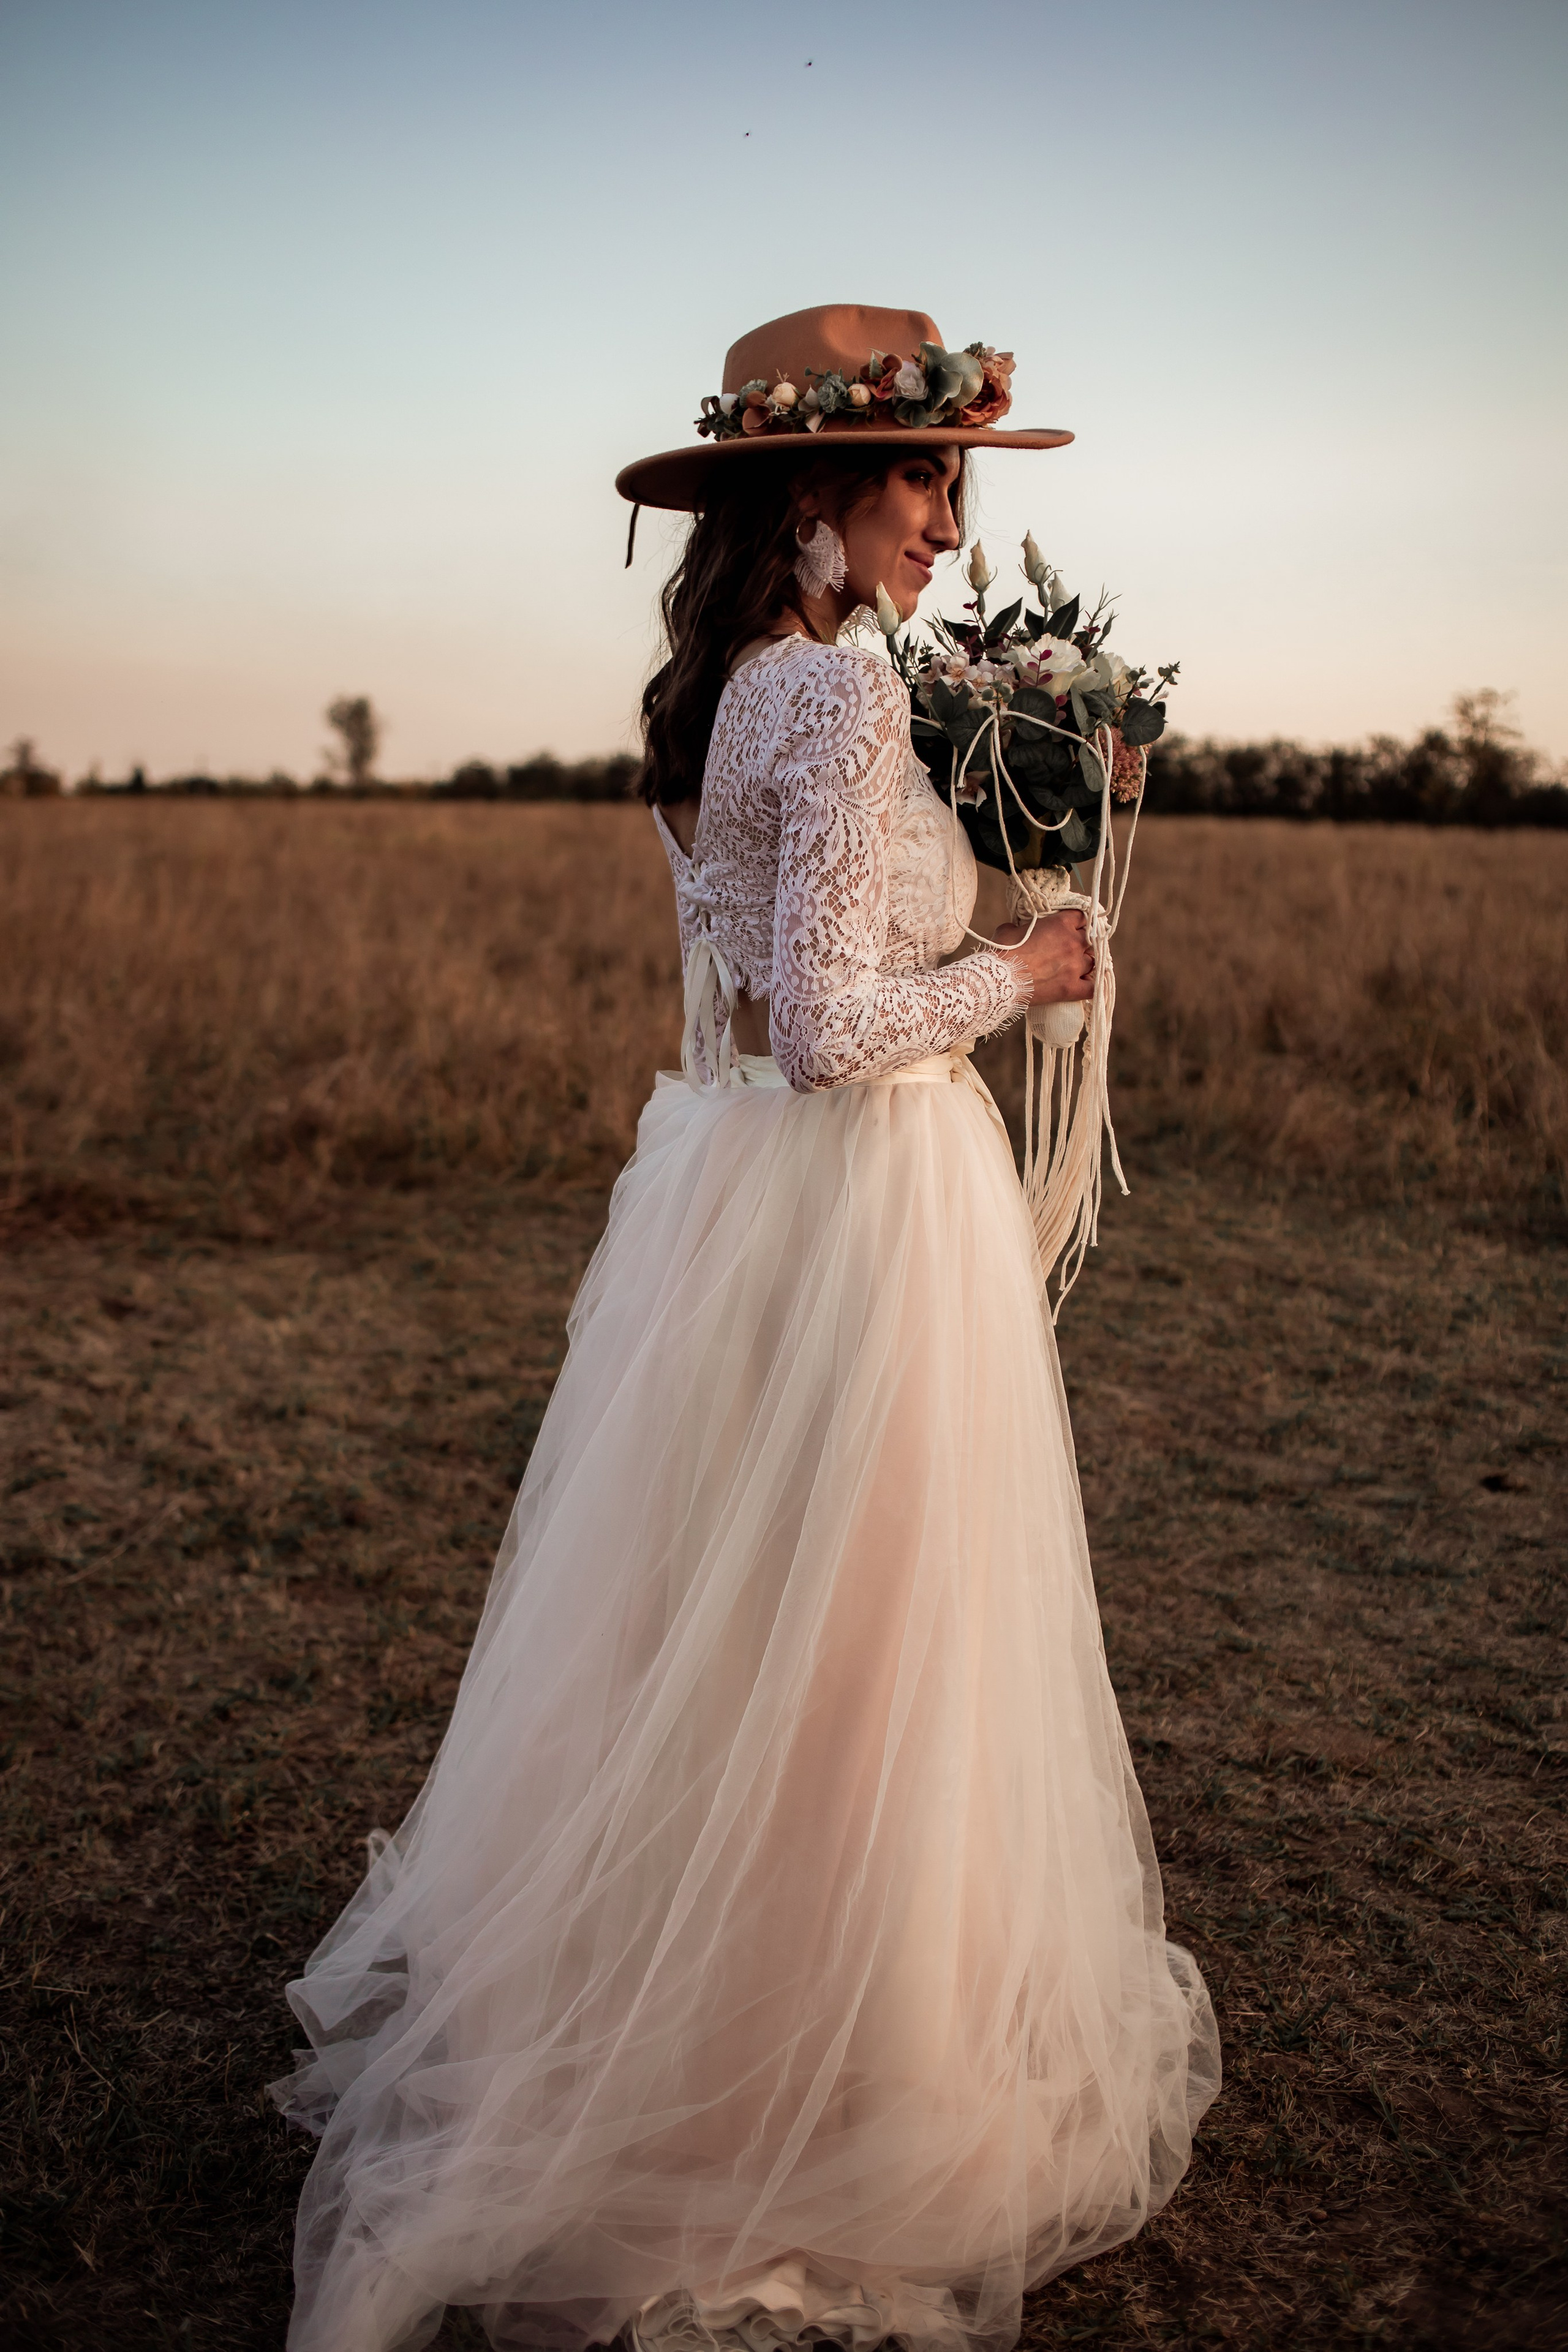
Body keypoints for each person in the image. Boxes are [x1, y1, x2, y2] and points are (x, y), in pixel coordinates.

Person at [271, 304, 1220, 2352]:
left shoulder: (740, 690)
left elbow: (794, 967)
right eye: (923, 480)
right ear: (816, 490)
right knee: (864, 1643)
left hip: (746, 1207)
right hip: (859, 1205)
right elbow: (825, 1029)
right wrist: (1030, 973)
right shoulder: (837, 698)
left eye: (956, 486)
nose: (949, 525)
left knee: (755, 1626)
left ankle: (731, 2009)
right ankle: (835, 2079)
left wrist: (993, 861)